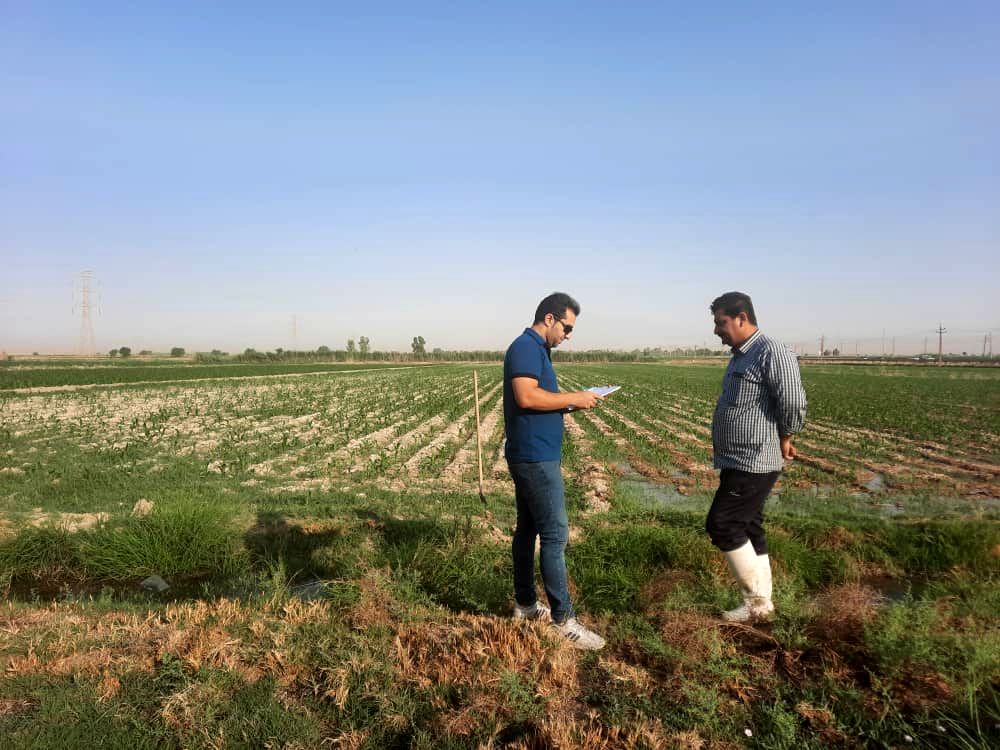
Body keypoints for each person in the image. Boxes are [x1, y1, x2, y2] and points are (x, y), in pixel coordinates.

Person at [503, 292, 606, 650]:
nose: (568, 335)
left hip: (535, 454)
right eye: (567, 327)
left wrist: (575, 403)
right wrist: (574, 397)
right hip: (534, 458)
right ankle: (564, 621)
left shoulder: (536, 349)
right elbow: (526, 397)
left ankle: (526, 605)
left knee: (528, 530)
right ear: (549, 319)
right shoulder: (526, 347)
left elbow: (540, 402)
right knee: (555, 534)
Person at [706, 291, 807, 623]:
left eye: (721, 322)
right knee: (749, 526)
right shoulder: (740, 355)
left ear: (741, 318)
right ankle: (763, 607)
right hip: (737, 458)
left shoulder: (771, 352)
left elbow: (791, 401)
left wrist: (786, 436)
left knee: (723, 524)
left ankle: (756, 604)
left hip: (754, 460)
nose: (717, 330)